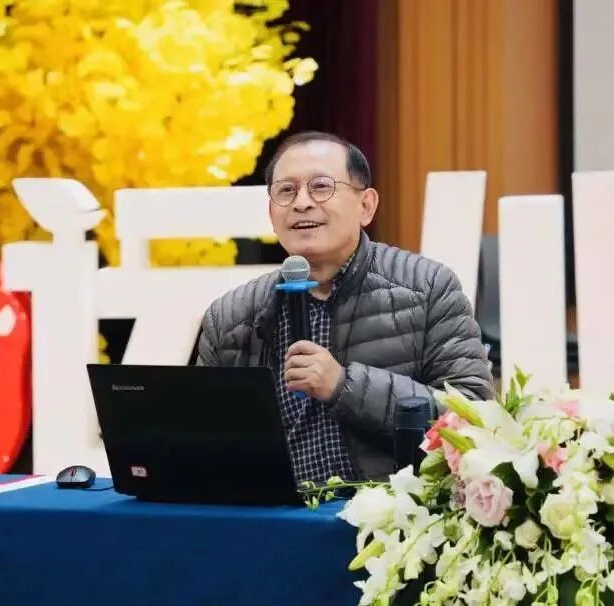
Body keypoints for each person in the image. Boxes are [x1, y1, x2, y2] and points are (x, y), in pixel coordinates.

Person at [195, 131, 494, 483]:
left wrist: (342, 384)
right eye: (286, 191)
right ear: (271, 213)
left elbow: (473, 417)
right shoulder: (229, 317)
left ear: (366, 205)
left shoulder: (427, 288)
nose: (301, 203)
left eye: (321, 187)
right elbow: (204, 439)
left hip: (389, 510)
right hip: (275, 511)